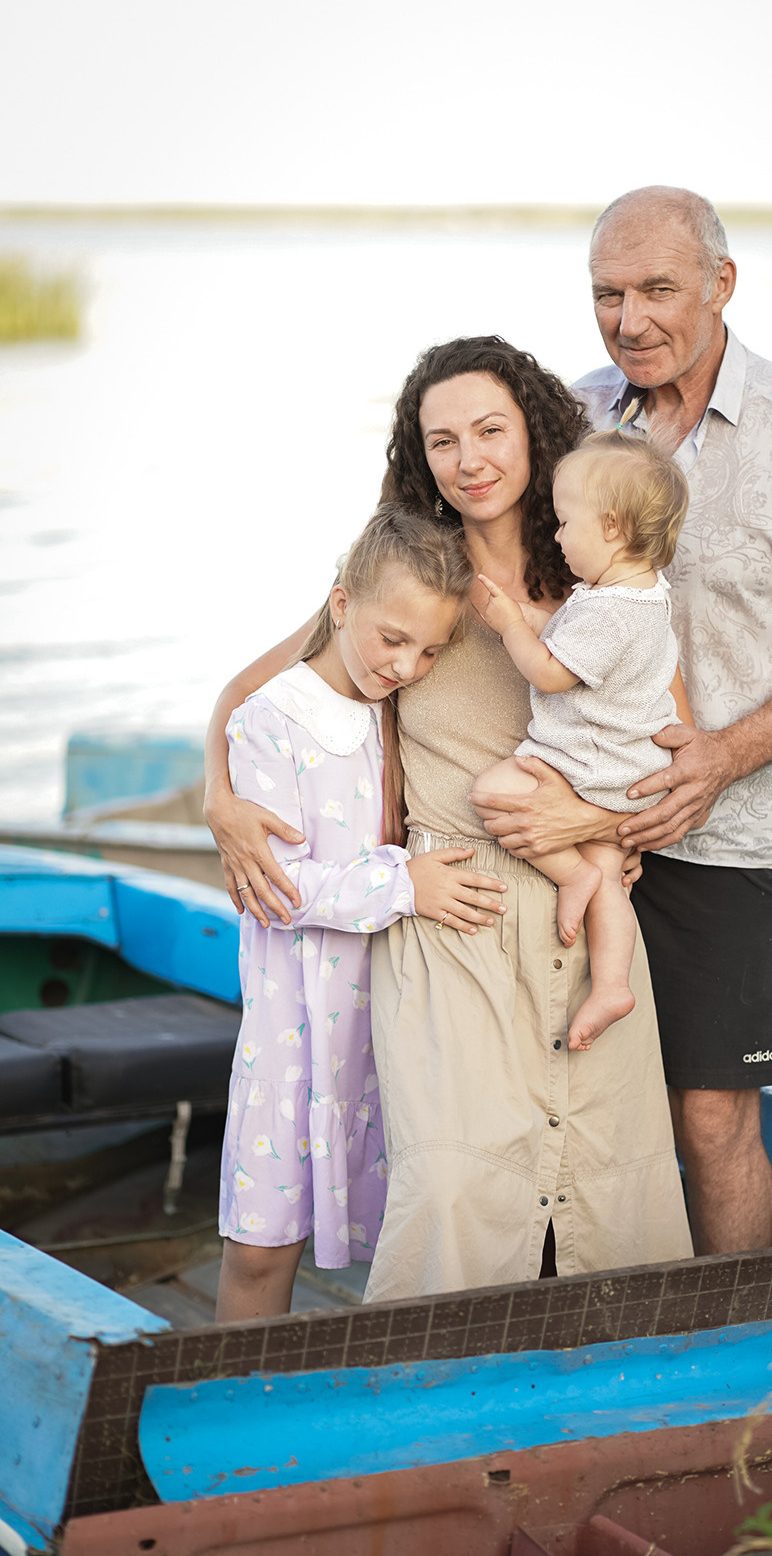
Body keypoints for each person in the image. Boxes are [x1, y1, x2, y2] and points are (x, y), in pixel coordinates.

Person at [204, 337, 693, 1306]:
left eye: (489, 430)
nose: (468, 458)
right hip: (449, 916)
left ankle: (611, 1406)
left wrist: (585, 821)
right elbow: (247, 696)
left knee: (609, 1187)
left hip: (583, 903)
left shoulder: (608, 590)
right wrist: (223, 802)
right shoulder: (412, 582)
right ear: (417, 456)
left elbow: (679, 762)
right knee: (458, 1184)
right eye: (441, 440)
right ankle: (418, 1414)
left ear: (536, 432)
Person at [471, 186, 772, 1260]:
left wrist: (720, 758)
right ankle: (563, 1337)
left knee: (713, 1121)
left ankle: (743, 1368)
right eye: (606, 294)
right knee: (550, 1100)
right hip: (578, 825)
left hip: (734, 840)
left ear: (722, 284)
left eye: (658, 289)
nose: (630, 319)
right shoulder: (567, 418)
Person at [214, 507, 510, 1321]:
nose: (407, 665)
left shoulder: (392, 712)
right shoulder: (270, 720)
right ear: (340, 606)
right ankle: (236, 1404)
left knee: (399, 1218)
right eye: (392, 639)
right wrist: (405, 885)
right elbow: (277, 888)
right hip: (289, 1027)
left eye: (428, 651)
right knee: (263, 1241)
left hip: (382, 1019)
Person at [473, 427, 689, 1053]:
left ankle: (570, 876)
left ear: (614, 529)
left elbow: (549, 670)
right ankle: (613, 984)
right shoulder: (640, 594)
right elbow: (577, 635)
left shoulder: (608, 611)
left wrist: (512, 624)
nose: (558, 535)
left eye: (566, 523)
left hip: (587, 766)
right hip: (626, 771)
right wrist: (542, 620)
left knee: (493, 790)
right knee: (607, 869)